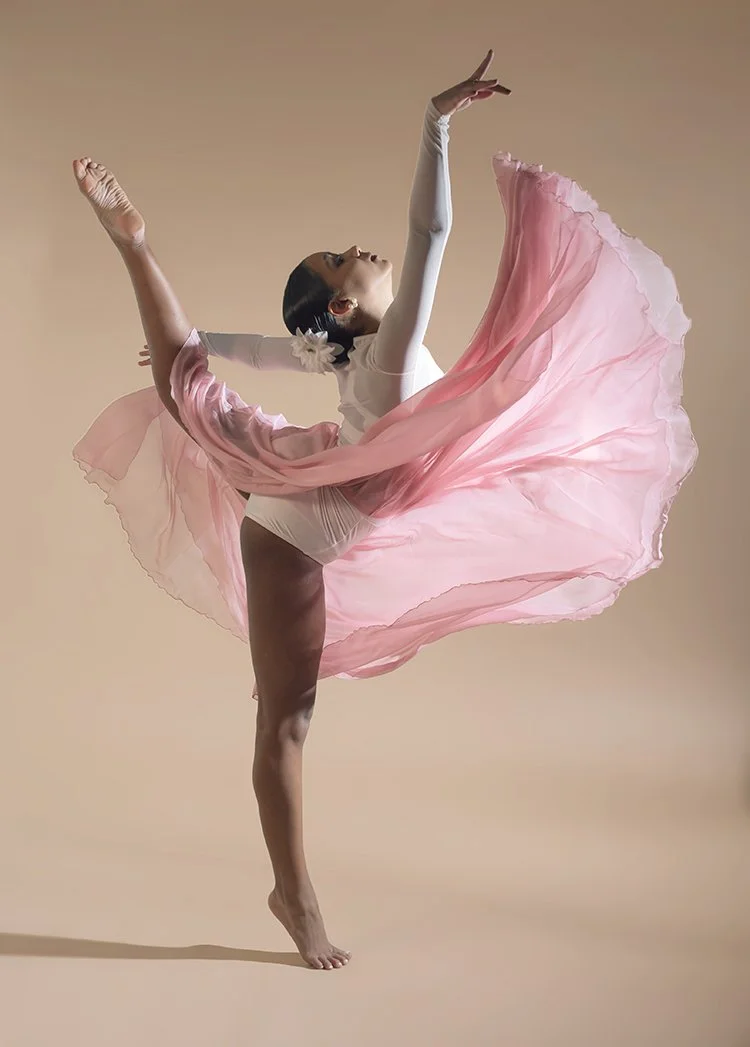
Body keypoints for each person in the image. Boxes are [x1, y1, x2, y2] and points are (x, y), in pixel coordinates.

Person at [72, 50, 697, 970]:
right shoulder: (390, 357)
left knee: (194, 395)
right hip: (296, 533)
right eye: (342, 259)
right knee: (285, 721)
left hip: (310, 484)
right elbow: (429, 234)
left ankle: (136, 248)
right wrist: (435, 125)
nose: (361, 250)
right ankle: (295, 894)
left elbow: (279, 350)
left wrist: (203, 339)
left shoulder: (344, 358)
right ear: (343, 303)